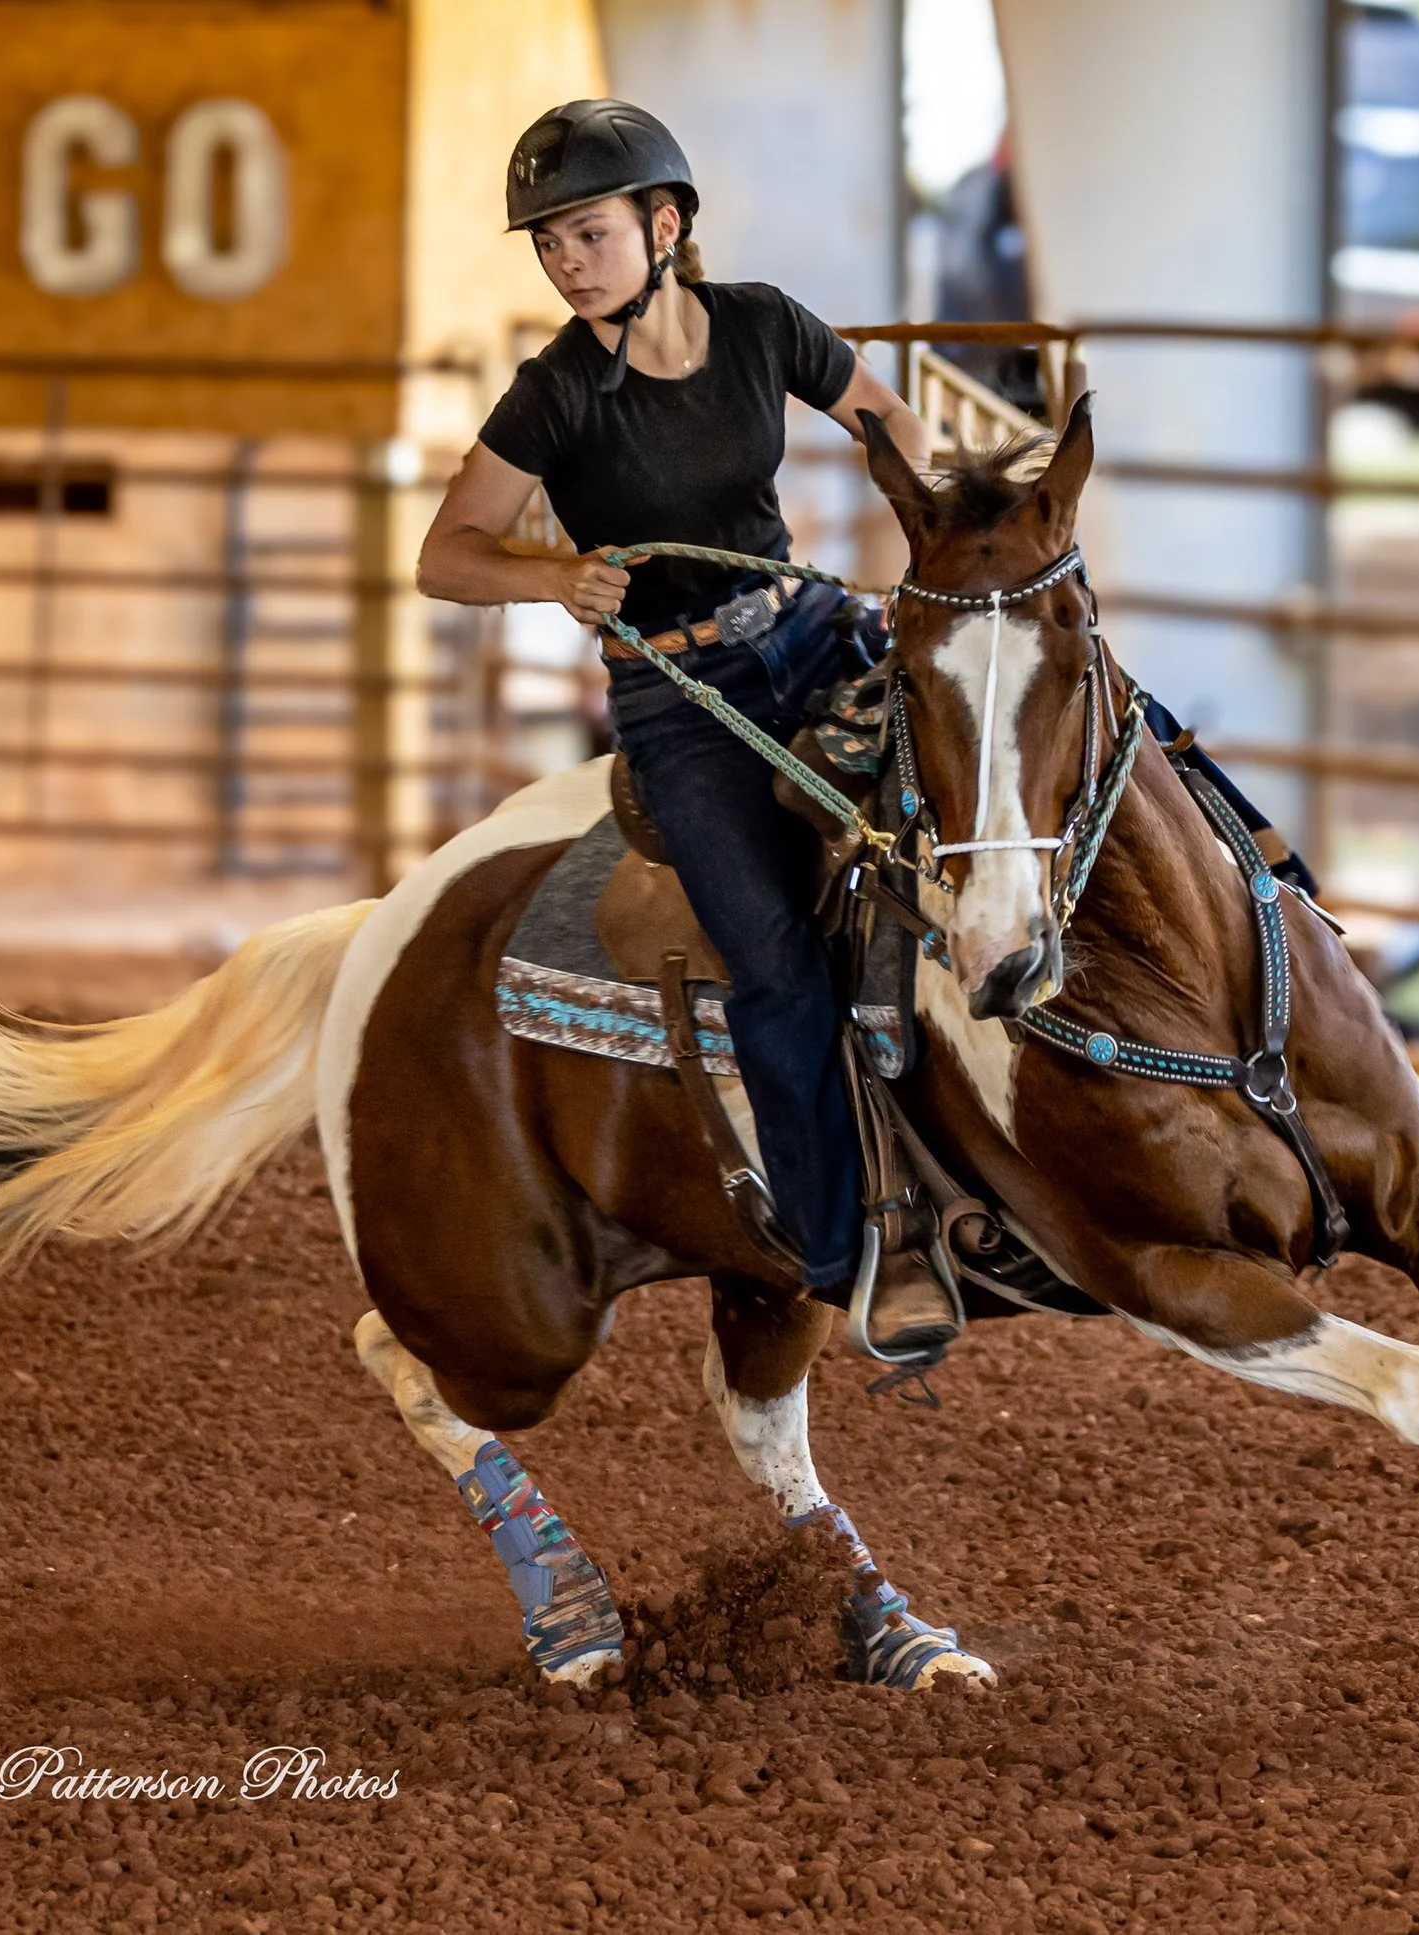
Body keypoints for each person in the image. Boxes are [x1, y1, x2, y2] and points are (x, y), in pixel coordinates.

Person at [415, 100, 964, 1363]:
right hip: (681, 696)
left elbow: (890, 423)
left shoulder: (762, 323)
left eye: (586, 232)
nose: (564, 261)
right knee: (770, 962)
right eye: (547, 243)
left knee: (980, 806)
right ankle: (843, 1251)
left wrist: (921, 536)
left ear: (665, 226)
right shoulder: (553, 394)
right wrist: (554, 578)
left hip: (812, 633)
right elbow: (444, 557)